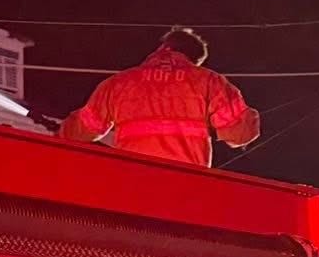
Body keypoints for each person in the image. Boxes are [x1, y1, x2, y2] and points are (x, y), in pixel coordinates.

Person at [61, 27, 261, 166]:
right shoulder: (208, 81)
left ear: (163, 48)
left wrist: (59, 131)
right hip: (188, 185)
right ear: (193, 59)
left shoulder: (120, 83)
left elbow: (80, 130)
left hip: (132, 183)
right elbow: (240, 133)